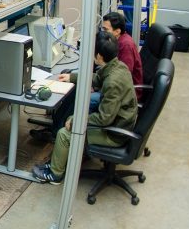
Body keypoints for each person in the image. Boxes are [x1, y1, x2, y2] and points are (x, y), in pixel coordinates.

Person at [32, 32, 138, 184]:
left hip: (114, 133)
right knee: (75, 114)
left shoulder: (113, 83)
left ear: (99, 56)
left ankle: (55, 175)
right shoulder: (118, 66)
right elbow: (98, 78)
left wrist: (75, 120)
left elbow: (104, 118)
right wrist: (72, 77)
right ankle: (56, 162)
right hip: (120, 121)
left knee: (65, 133)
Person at [101, 12, 144, 99]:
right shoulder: (117, 40)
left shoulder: (125, 45)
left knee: (87, 98)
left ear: (117, 31)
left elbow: (123, 76)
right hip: (117, 85)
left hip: (126, 93)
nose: (103, 33)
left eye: (106, 30)